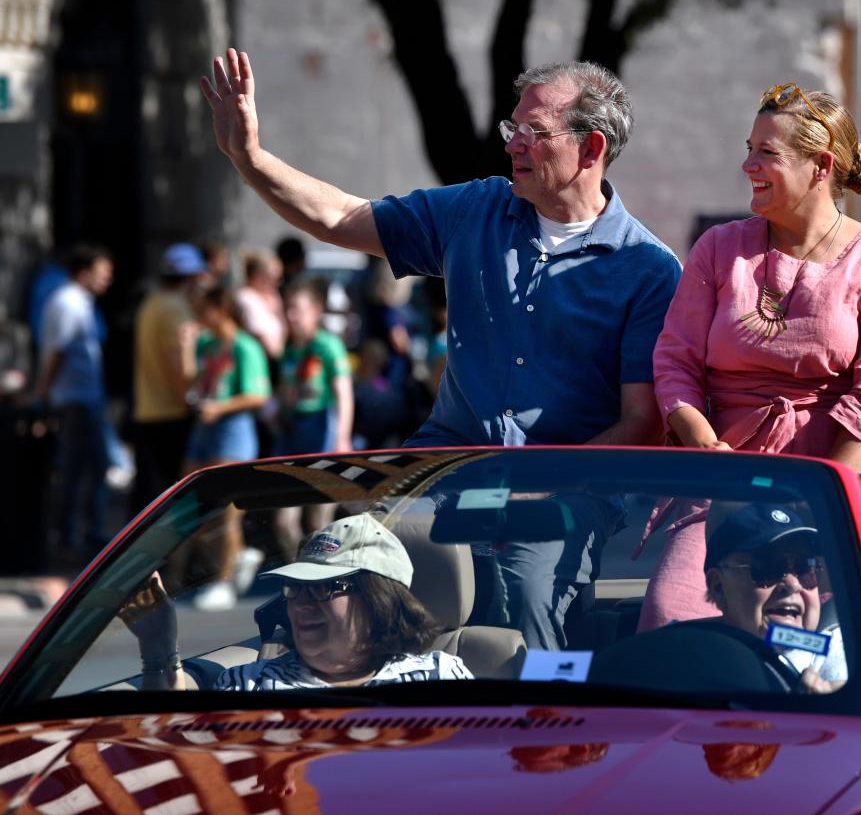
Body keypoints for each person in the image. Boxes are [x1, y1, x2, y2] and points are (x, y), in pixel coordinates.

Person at [200, 49, 681, 650]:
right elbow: (342, 217)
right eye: (513, 128)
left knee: (529, 614)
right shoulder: (475, 209)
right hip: (442, 470)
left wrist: (540, 485)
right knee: (338, 577)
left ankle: (549, 738)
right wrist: (249, 156)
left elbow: (641, 422)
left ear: (591, 149)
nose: (512, 144)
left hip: (565, 490)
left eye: (533, 131)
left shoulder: (649, 270)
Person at [637, 82, 861, 629]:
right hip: (731, 477)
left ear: (820, 166)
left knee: (843, 635)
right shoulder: (719, 248)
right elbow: (674, 362)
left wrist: (829, 494)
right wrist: (704, 447)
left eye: (766, 153)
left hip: (851, 477)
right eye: (749, 149)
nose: (748, 165)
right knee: (671, 618)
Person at [120, 513, 473, 690]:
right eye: (294, 588)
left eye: (323, 587)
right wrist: (158, 648)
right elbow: (184, 756)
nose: (301, 604)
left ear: (379, 599)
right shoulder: (248, 685)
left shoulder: (441, 677)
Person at [176, 287, 271, 610]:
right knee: (193, 502)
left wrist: (220, 407)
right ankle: (236, 558)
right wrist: (187, 349)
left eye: (204, 311)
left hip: (232, 427)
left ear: (221, 309)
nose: (199, 318)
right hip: (205, 427)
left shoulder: (245, 346)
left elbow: (258, 394)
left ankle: (224, 581)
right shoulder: (208, 344)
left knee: (225, 509)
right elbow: (191, 386)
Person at [702, 503, 846, 692]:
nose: (793, 586)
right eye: (767, 568)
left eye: (805, 567)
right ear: (719, 587)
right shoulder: (681, 647)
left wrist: (839, 704)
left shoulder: (835, 647)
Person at [32, 244, 114, 558]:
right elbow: (58, 350)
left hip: (85, 396)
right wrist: (43, 391)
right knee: (81, 468)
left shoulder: (81, 301)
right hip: (75, 399)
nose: (107, 280)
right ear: (84, 272)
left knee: (87, 467)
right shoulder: (68, 302)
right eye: (102, 273)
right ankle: (76, 536)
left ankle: (81, 533)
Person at [272, 279, 354, 558]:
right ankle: (299, 575)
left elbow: (344, 394)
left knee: (319, 522)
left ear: (316, 310)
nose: (292, 316)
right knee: (284, 522)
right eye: (288, 309)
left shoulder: (328, 346)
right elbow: (285, 388)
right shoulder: (289, 348)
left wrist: (342, 440)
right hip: (293, 438)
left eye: (298, 309)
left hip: (323, 438)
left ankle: (327, 582)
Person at [129, 243, 205, 515]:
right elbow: (178, 363)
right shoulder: (176, 308)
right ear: (192, 277)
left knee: (147, 495)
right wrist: (188, 400)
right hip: (171, 412)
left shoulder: (150, 302)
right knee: (172, 497)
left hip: (147, 410)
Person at [236, 249, 286, 360]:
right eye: (275, 278)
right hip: (260, 359)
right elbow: (272, 348)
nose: (279, 283)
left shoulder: (271, 297)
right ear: (257, 276)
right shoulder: (247, 298)